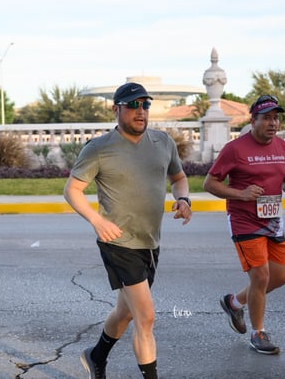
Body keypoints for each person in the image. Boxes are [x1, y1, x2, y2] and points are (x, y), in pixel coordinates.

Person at [64, 82, 192, 379]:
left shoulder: (163, 143)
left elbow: (179, 177)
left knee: (127, 311)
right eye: (133, 105)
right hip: (118, 241)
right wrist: (97, 221)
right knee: (146, 316)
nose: (140, 111)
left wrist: (183, 199)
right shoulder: (99, 148)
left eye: (145, 105)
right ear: (116, 109)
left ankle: (96, 357)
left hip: (150, 241)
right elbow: (72, 190)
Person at [203, 95, 285, 355]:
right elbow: (209, 184)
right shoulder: (235, 149)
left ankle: (234, 303)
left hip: (273, 220)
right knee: (260, 276)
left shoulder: (281, 146)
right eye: (266, 118)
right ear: (252, 120)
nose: (272, 123)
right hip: (244, 220)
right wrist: (241, 193)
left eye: (275, 118)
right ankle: (259, 333)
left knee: (279, 277)